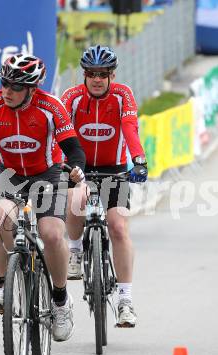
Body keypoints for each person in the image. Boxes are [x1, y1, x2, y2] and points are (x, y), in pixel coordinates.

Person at [0, 53, 86, 341]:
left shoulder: (51, 106)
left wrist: (77, 169)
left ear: (32, 89)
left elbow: (74, 149)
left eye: (15, 87)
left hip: (47, 174)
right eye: (4, 84)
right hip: (9, 174)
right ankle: (6, 282)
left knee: (50, 234)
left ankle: (60, 301)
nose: (7, 91)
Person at [61, 45, 147, 327]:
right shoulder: (71, 97)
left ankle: (125, 300)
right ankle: (74, 250)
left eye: (103, 74)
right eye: (91, 74)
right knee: (76, 198)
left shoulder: (123, 95)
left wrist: (139, 160)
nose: (97, 79)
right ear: (84, 74)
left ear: (112, 74)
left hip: (115, 169)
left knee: (119, 228)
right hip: (79, 168)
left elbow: (129, 128)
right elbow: (60, 134)